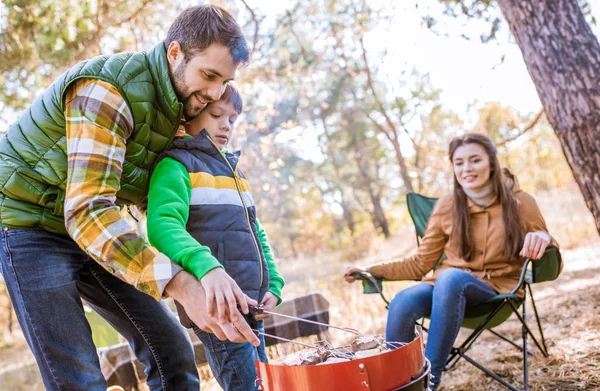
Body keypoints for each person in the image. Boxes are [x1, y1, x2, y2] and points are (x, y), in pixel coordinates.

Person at [0, 5, 261, 390]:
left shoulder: (180, 108)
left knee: (170, 349)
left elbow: (165, 209)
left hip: (95, 229)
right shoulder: (107, 92)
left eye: (225, 81)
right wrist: (181, 285)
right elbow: (87, 211)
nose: (214, 94)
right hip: (29, 226)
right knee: (80, 377)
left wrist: (212, 275)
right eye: (208, 75)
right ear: (175, 53)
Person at [344, 133, 558, 390]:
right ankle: (399, 383)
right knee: (403, 300)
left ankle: (428, 382)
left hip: (496, 290)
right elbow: (420, 264)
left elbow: (550, 254)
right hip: (444, 290)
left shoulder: (521, 202)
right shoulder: (448, 206)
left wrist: (544, 237)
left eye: (475, 160)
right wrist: (371, 270)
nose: (466, 168)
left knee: (451, 277)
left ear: (491, 162)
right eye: (459, 163)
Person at [146, 82, 285, 391]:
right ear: (190, 116)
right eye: (216, 114)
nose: (226, 125)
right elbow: (162, 225)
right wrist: (204, 265)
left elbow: (256, 231)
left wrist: (273, 282)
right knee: (245, 385)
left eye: (232, 119)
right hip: (217, 308)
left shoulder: (235, 174)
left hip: (252, 304)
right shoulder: (176, 165)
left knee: (265, 384)